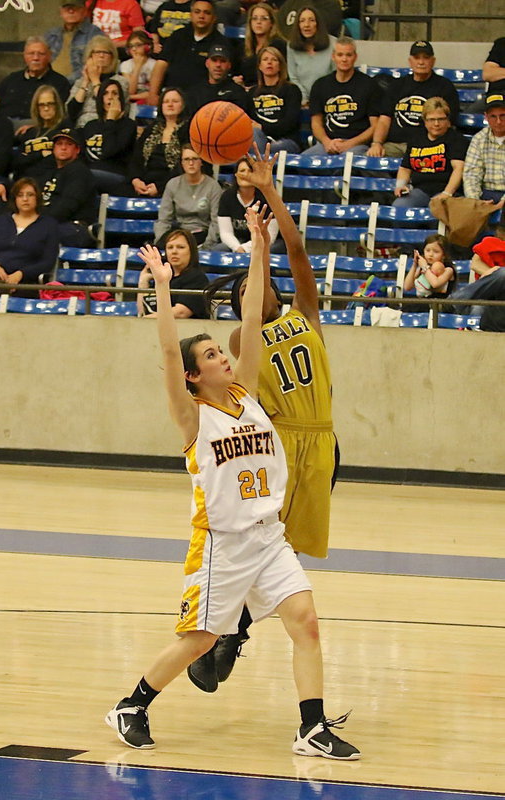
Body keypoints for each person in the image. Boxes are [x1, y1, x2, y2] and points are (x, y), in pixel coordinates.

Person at [105, 204, 360, 763]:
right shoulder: (193, 416)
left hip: (268, 536)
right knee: (198, 639)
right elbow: (168, 351)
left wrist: (260, 245)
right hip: (222, 543)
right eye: (211, 355)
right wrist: (163, 287)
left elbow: (251, 310)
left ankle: (312, 727)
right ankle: (132, 704)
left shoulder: (247, 390)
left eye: (221, 350)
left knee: (306, 623)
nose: (223, 356)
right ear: (194, 375)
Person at [189, 144, 340, 692]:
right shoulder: (240, 338)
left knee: (289, 549)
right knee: (271, 542)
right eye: (249, 289)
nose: (262, 287)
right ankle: (232, 630)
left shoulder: (306, 313)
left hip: (321, 441)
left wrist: (272, 192)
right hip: (280, 444)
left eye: (262, 281)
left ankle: (236, 627)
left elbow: (296, 251)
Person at [367, 41, 460, 158]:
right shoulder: (397, 85)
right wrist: (377, 143)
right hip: (395, 145)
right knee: (369, 158)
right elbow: (384, 120)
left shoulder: (445, 86)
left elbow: (448, 123)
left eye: (426, 58)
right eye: (417, 58)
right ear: (410, 61)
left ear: (433, 61)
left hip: (428, 147)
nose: (421, 62)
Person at [305, 35, 380, 155]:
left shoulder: (369, 84)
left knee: (346, 160)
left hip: (357, 145)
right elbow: (316, 123)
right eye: (340, 55)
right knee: (302, 160)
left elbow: (375, 126)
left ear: (355, 57)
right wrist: (326, 142)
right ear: (333, 57)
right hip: (327, 144)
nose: (344, 59)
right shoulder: (320, 85)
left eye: (348, 55)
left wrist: (349, 144)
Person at [147, 0, 232, 102]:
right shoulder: (177, 36)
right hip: (172, 96)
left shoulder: (221, 43)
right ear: (191, 15)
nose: (201, 16)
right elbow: (161, 65)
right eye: (197, 12)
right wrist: (153, 94)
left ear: (214, 18)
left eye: (207, 13)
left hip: (203, 99)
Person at [392, 97, 468, 209]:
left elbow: (459, 169)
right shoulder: (416, 139)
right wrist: (401, 186)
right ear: (425, 121)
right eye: (431, 119)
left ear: (448, 121)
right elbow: (405, 168)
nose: (436, 124)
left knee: (439, 208)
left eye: (441, 119)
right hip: (420, 191)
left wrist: (447, 193)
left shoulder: (456, 139)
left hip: (446, 191)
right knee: (400, 205)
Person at [33, 127, 98, 247]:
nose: (63, 148)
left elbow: (67, 206)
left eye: (69, 144)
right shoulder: (48, 171)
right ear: (53, 149)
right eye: (59, 144)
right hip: (49, 223)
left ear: (77, 149)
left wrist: (38, 222)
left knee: (33, 235)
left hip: (74, 227)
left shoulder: (79, 172)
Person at [154, 144, 221, 248]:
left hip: (202, 234)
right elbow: (164, 220)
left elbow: (216, 222)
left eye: (194, 159)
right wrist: (162, 241)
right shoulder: (172, 184)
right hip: (179, 233)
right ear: (182, 163)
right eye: (186, 159)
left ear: (201, 162)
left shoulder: (213, 186)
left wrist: (206, 246)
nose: (191, 163)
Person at [126, 86, 189, 197]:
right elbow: (136, 158)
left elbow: (184, 166)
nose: (170, 104)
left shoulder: (188, 130)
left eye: (175, 101)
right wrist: (136, 180)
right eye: (166, 102)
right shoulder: (151, 129)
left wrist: (160, 187)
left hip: (173, 183)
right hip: (144, 181)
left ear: (183, 105)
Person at [0, 178, 59, 287]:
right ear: (15, 199)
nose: (25, 199)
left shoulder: (49, 225)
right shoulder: (1, 220)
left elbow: (48, 262)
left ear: (37, 198)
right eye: (20, 195)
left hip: (27, 282)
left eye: (30, 195)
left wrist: (21, 274)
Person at [449, 210, 505, 332]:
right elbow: (475, 263)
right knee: (478, 308)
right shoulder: (492, 243)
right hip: (488, 296)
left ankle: (456, 300)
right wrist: (494, 273)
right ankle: (455, 302)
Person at [0, 37, 70, 127]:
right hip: (3, 125)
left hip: (36, 127)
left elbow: (59, 116)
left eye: (41, 54)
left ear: (49, 56)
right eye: (31, 53)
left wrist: (36, 126)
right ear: (24, 56)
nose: (35, 58)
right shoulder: (11, 79)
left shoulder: (59, 83)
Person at [137, 227, 209, 316]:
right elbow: (142, 312)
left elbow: (181, 313)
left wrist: (147, 319)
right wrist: (143, 281)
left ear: (191, 251)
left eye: (180, 247)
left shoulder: (197, 278)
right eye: (170, 247)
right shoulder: (164, 277)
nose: (174, 251)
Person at [215, 156, 281, 253]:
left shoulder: (268, 197)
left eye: (250, 171)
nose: (246, 174)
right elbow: (226, 232)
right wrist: (237, 248)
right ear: (236, 175)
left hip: (266, 241)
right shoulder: (227, 196)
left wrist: (245, 249)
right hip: (238, 242)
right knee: (220, 249)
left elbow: (270, 235)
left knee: (269, 250)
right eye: (242, 171)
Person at [82, 77, 137, 192]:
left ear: (120, 99)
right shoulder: (90, 126)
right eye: (105, 93)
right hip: (90, 173)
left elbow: (109, 151)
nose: (110, 97)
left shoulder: (128, 125)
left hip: (115, 174)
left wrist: (111, 120)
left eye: (114, 93)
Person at [66, 36, 128, 127]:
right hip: (81, 127)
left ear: (112, 57)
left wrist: (95, 80)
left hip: (106, 126)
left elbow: (110, 107)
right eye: (97, 52)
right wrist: (85, 82)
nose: (101, 56)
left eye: (105, 52)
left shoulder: (120, 81)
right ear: (90, 57)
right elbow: (71, 112)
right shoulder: (80, 82)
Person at [250, 46, 302, 155]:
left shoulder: (291, 90)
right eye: (265, 59)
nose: (269, 62)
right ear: (259, 66)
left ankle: (259, 163)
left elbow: (289, 123)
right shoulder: (252, 92)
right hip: (260, 139)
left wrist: (262, 127)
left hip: (286, 140)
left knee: (270, 148)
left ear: (280, 66)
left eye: (274, 59)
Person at [13, 86, 70, 180]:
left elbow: (57, 162)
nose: (46, 108)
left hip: (50, 180)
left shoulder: (64, 131)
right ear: (36, 107)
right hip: (24, 181)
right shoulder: (29, 132)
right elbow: (16, 163)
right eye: (41, 105)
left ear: (57, 105)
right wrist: (41, 154)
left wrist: (30, 158)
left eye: (50, 104)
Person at [286, 6, 337, 107]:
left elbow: (336, 75)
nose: (306, 25)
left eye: (311, 20)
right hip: (302, 102)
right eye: (302, 21)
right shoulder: (291, 46)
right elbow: (293, 77)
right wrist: (304, 99)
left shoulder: (334, 43)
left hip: (329, 99)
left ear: (318, 24)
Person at [44, 0, 105, 85]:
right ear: (61, 12)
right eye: (67, 8)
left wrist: (62, 83)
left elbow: (95, 66)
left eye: (75, 8)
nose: (71, 11)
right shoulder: (51, 34)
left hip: (77, 85)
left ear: (84, 11)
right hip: (47, 84)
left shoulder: (94, 34)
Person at [186, 43, 251, 118]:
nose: (218, 65)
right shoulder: (195, 92)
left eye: (223, 61)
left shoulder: (237, 92)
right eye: (214, 60)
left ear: (229, 65)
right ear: (207, 63)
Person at [463, 93, 505, 204]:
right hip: (486, 194)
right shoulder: (479, 139)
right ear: (486, 117)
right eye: (493, 116)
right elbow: (471, 175)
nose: (498, 121)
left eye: (502, 116)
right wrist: (475, 201)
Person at [233, 3, 286, 90]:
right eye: (254, 18)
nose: (258, 22)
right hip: (246, 92)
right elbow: (236, 73)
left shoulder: (279, 45)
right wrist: (238, 81)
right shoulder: (242, 48)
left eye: (264, 19)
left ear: (272, 23)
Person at [403, 234, 456, 309]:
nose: (430, 254)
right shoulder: (423, 267)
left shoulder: (448, 270)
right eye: (427, 250)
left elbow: (435, 284)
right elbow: (407, 287)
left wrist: (425, 267)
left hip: (440, 305)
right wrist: (415, 265)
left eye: (436, 252)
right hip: (423, 303)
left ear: (444, 255)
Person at [118, 30, 156, 103]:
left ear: (148, 46)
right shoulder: (125, 64)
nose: (134, 49)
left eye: (138, 45)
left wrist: (129, 97)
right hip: (132, 99)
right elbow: (131, 91)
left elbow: (152, 93)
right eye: (131, 46)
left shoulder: (154, 64)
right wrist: (138, 66)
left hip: (148, 99)